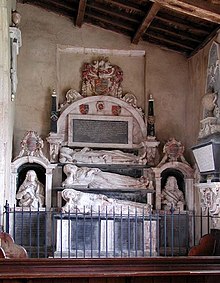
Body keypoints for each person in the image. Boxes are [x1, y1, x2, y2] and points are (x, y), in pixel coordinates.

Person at [61, 188, 151, 214]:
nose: (70, 194)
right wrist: (70, 201)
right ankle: (143, 212)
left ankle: (143, 208)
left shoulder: (82, 195)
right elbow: (64, 210)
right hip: (99, 211)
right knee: (122, 211)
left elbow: (95, 196)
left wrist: (105, 198)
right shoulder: (73, 205)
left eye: (70, 192)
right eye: (67, 195)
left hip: (103, 202)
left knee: (122, 205)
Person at [62, 164, 150, 189]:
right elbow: (67, 183)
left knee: (118, 178)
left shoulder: (81, 168)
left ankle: (136, 181)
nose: (72, 167)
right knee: (116, 184)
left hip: (99, 175)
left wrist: (92, 170)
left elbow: (95, 169)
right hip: (95, 182)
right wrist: (71, 174)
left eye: (71, 166)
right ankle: (136, 185)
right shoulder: (73, 178)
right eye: (69, 168)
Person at [59, 147, 146, 165]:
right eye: (66, 149)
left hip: (99, 154)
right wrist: (99, 158)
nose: (68, 148)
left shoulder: (76, 153)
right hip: (101, 159)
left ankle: (135, 158)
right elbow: (88, 160)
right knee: (118, 159)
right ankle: (136, 160)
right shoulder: (74, 156)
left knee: (117, 153)